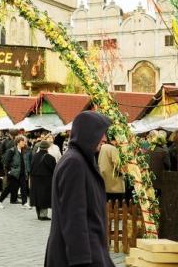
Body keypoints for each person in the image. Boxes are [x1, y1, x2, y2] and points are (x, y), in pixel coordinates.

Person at [45, 111, 115, 267]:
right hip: (79, 257)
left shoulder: (81, 160)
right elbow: (74, 217)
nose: (104, 138)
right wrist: (81, 260)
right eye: (101, 133)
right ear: (88, 133)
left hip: (90, 252)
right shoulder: (74, 163)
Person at [0, 135, 32, 209]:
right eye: (23, 142)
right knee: (9, 188)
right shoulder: (12, 151)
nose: (24, 143)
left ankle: (24, 202)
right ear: (18, 142)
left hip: (22, 172)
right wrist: (9, 171)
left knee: (23, 188)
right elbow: (6, 162)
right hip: (14, 173)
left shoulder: (23, 151)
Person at [29, 140, 56, 221]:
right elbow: (54, 169)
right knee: (44, 197)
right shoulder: (50, 157)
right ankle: (43, 215)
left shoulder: (34, 156)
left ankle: (39, 214)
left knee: (37, 197)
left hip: (35, 179)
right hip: (46, 180)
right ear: (47, 147)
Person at [98, 137, 125, 202]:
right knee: (117, 207)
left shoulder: (103, 147)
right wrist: (125, 172)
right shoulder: (113, 149)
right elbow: (117, 165)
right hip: (115, 186)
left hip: (104, 183)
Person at [146, 130, 171, 196]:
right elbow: (168, 165)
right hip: (160, 179)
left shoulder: (148, 150)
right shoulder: (164, 152)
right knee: (159, 197)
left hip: (149, 178)